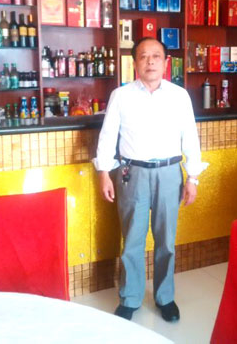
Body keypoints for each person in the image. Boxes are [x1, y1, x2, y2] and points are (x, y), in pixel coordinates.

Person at [93, 37, 206, 322]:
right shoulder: (121, 95)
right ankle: (130, 298)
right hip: (132, 174)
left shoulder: (179, 95)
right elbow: (108, 135)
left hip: (170, 173)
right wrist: (104, 172)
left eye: (156, 56)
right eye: (143, 56)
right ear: (135, 63)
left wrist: (193, 178)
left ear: (166, 62)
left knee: (166, 240)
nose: (150, 61)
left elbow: (190, 137)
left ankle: (165, 297)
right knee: (132, 238)